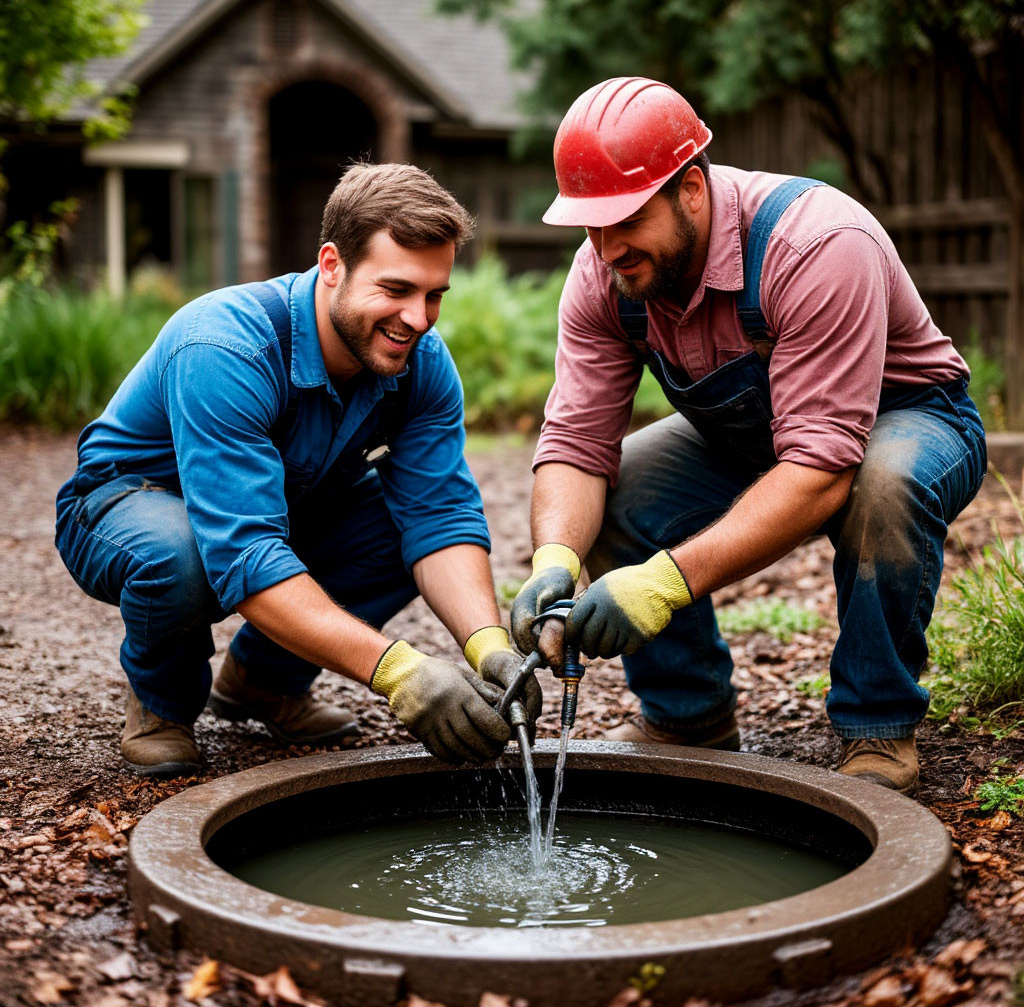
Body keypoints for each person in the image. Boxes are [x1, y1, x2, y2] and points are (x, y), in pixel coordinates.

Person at [512, 77, 986, 796]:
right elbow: (577, 443)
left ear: (692, 190)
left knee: (882, 484)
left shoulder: (818, 243)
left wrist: (664, 583)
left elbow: (825, 467)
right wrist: (553, 558)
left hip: (910, 419)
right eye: (591, 225)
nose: (607, 247)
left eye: (627, 218)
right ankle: (689, 716)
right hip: (753, 436)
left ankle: (878, 724)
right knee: (620, 488)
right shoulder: (605, 274)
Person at [55, 162, 541, 778]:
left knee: (399, 525)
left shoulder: (419, 362)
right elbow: (244, 551)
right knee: (184, 556)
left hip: (282, 502)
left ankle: (263, 681)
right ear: (332, 265)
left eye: (434, 295)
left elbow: (440, 516)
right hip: (124, 504)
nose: (418, 318)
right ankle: (161, 702)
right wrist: (402, 672)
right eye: (396, 290)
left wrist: (487, 646)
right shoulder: (226, 346)